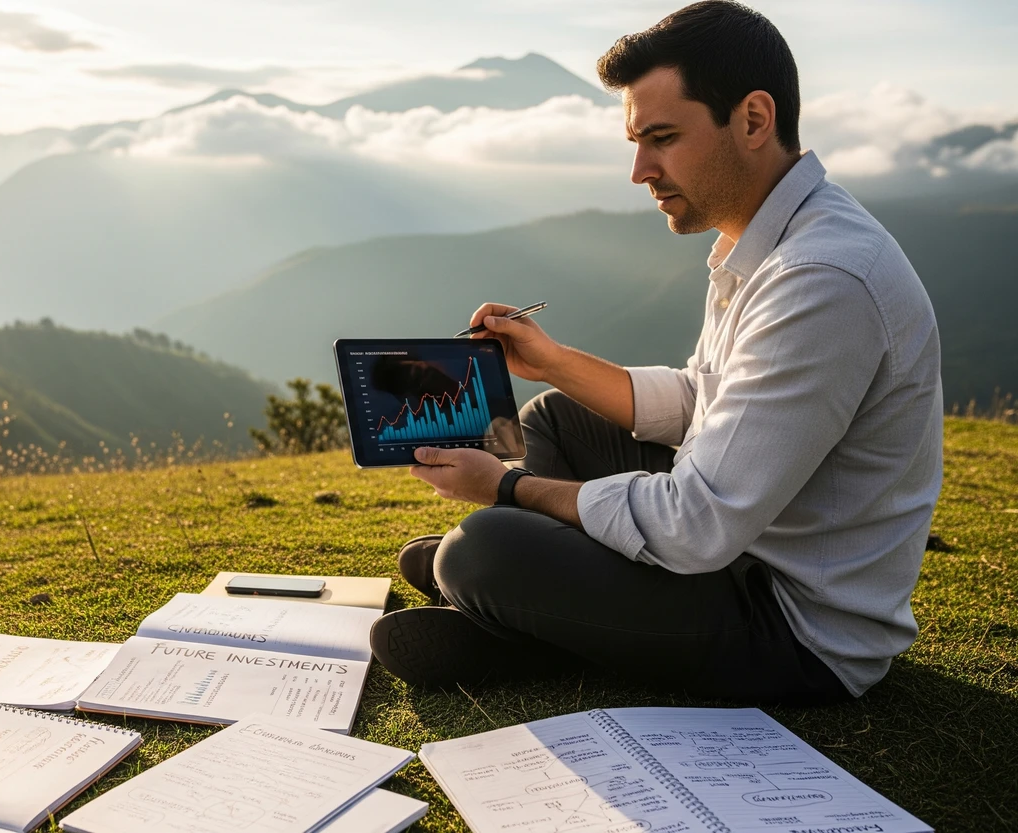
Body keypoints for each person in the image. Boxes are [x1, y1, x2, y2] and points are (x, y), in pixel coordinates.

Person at [367, 0, 943, 703]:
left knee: (482, 547)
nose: (641, 170)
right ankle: (525, 599)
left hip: (790, 624)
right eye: (637, 141)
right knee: (554, 416)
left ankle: (515, 599)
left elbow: (696, 523)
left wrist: (504, 487)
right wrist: (550, 360)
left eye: (663, 138)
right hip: (737, 552)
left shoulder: (822, 281)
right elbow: (701, 400)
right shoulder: (764, 242)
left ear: (754, 120)